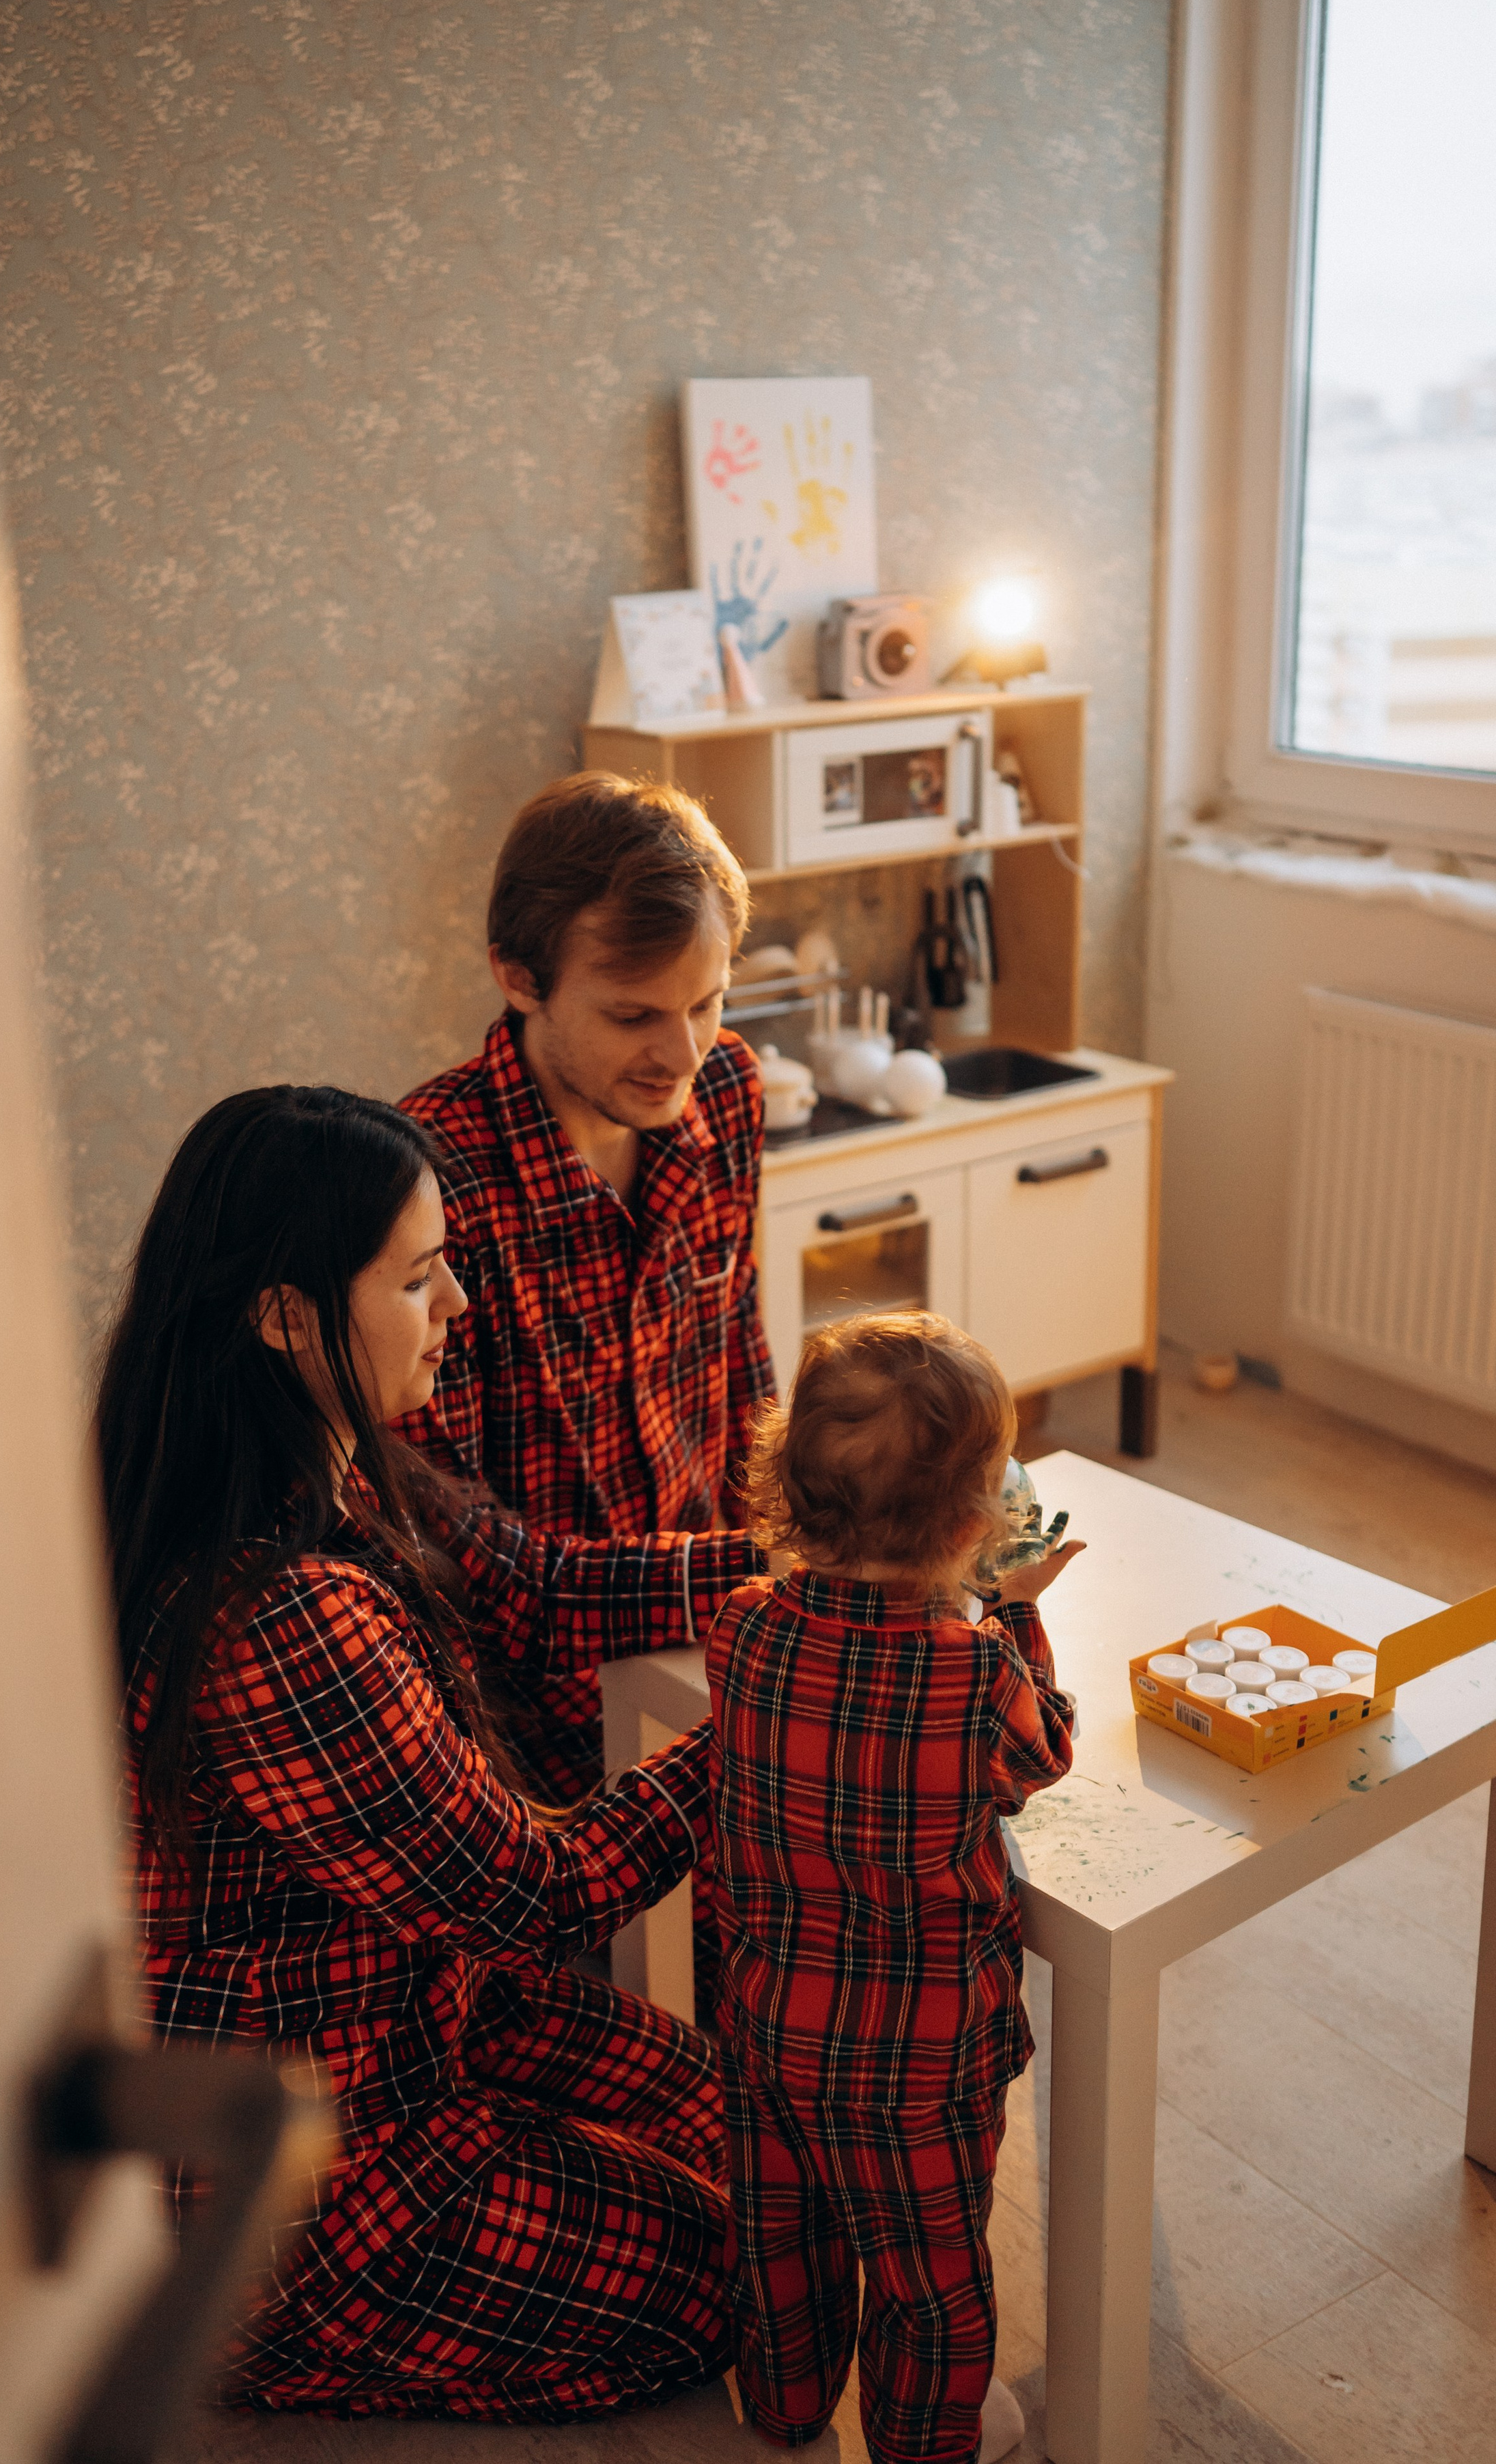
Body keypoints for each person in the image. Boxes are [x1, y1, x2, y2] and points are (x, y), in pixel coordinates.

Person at [97, 1084, 766, 2417]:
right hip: (313, 2145)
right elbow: (542, 1896)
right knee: (738, 2275)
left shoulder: (340, 1464)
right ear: (284, 1313)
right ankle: (276, 2334)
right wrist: (760, 1708)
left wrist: (812, 1564)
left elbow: (554, 1585)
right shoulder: (277, 1616)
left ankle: (521, 2184)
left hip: (433, 2016)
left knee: (757, 2138)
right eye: (417, 1277)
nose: (456, 1302)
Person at [706, 1311, 1082, 2464]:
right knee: (931, 2284)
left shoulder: (741, 1630)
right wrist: (1015, 1609)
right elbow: (1042, 1756)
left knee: (784, 2240)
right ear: (975, 1526)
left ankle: (782, 2406)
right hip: (922, 2058)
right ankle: (921, 2444)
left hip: (769, 2029)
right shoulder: (974, 1670)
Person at [400, 770, 775, 1802]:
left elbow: (742, 1370)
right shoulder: (429, 1183)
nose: (682, 1053)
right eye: (633, 1015)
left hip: (723, 1645)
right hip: (538, 1733)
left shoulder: (729, 1090)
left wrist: (821, 1527)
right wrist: (763, 1571)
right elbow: (473, 1562)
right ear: (519, 979)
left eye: (708, 1002)